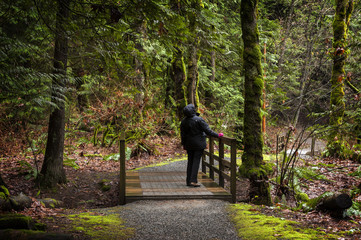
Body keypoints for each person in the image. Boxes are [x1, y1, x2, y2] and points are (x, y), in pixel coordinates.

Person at [180, 104, 223, 187]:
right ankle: (193, 180)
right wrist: (217, 135)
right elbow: (208, 131)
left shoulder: (184, 121)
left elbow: (183, 134)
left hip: (189, 144)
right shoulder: (199, 120)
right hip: (198, 144)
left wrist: (183, 144)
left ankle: (188, 180)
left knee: (190, 162)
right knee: (196, 161)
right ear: (193, 110)